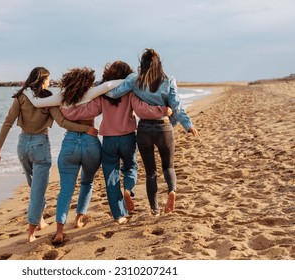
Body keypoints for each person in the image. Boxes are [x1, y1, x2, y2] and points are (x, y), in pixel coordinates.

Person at [0, 67, 97, 243]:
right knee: (37, 191)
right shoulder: (48, 98)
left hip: (22, 145)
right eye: (48, 79)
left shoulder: (21, 97)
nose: (50, 82)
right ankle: (32, 232)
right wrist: (86, 128)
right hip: (40, 145)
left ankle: (40, 220)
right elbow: (62, 122)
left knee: (33, 185)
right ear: (42, 80)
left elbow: (8, 122)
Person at [61, 61, 172, 224]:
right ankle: (128, 189)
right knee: (131, 167)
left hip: (109, 140)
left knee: (111, 177)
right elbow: (142, 110)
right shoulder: (130, 93)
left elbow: (87, 111)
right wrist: (163, 110)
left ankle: (119, 216)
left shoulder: (102, 95)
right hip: (127, 137)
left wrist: (66, 111)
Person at [106, 48, 200, 216]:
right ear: (159, 64)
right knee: (168, 167)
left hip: (144, 131)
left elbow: (115, 94)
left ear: (142, 64)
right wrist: (188, 125)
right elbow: (176, 106)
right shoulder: (169, 80)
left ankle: (155, 210)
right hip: (164, 128)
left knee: (151, 172)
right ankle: (172, 191)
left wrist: (98, 88)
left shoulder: (134, 80)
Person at [51, 67, 102, 245]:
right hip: (91, 141)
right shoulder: (93, 99)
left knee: (66, 189)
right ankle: (79, 219)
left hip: (70, 143)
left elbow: (61, 121)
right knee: (87, 182)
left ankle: (59, 230)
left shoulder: (63, 101)